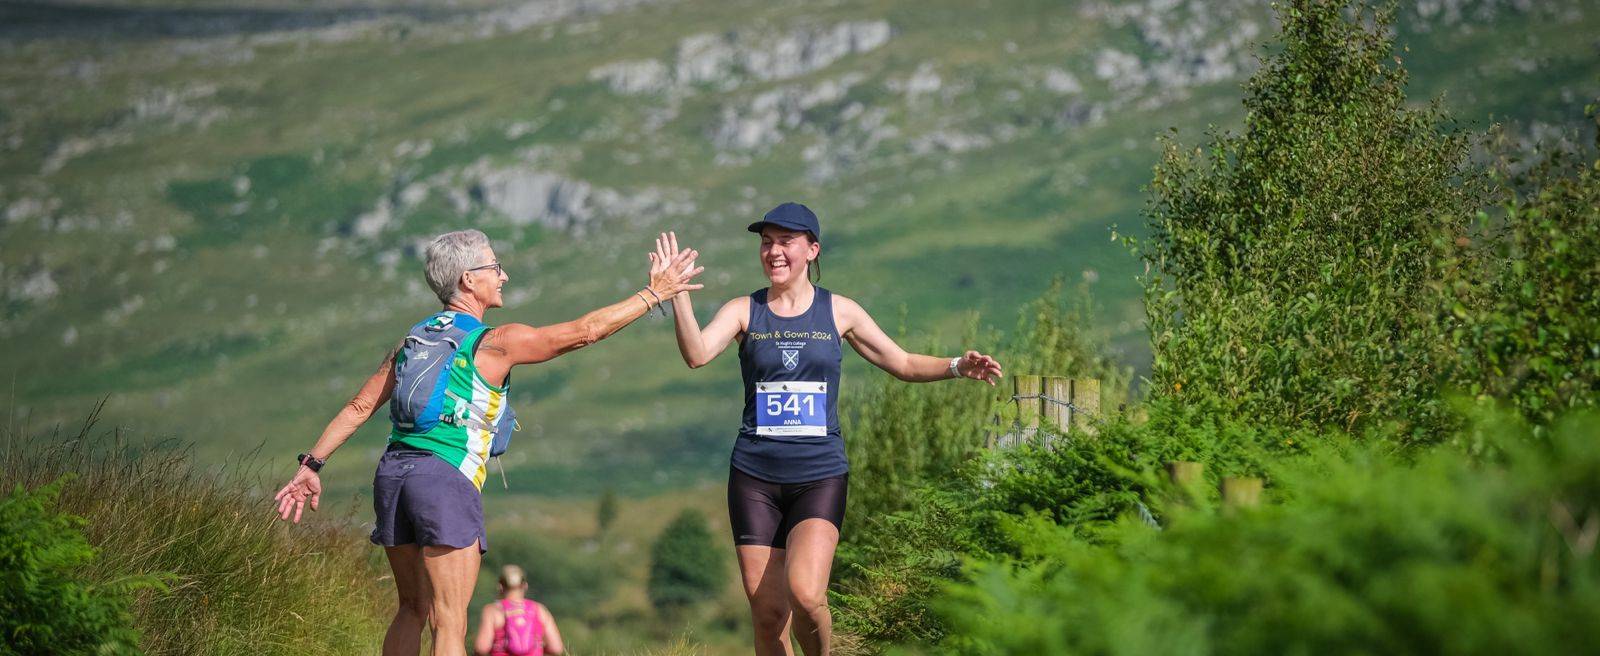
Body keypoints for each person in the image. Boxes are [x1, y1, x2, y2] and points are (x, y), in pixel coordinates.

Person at [272, 229, 703, 656]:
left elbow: (359, 406)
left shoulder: (414, 339)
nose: (504, 275)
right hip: (443, 478)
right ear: (468, 280)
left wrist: (312, 465)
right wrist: (653, 293)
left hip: (393, 474)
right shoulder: (493, 342)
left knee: (411, 609)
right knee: (450, 621)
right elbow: (584, 332)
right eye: (495, 267)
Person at [655, 203, 1003, 656]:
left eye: (785, 242)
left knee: (806, 595)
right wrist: (678, 293)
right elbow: (697, 353)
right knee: (767, 616)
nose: (773, 251)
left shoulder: (840, 312)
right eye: (766, 242)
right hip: (754, 478)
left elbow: (902, 362)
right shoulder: (744, 310)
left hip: (819, 475)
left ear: (812, 249)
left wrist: (957, 365)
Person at [474, 565, 564, 656]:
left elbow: (481, 648)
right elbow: (556, 648)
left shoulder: (493, 611)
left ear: (500, 586)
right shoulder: (539, 609)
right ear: (525, 586)